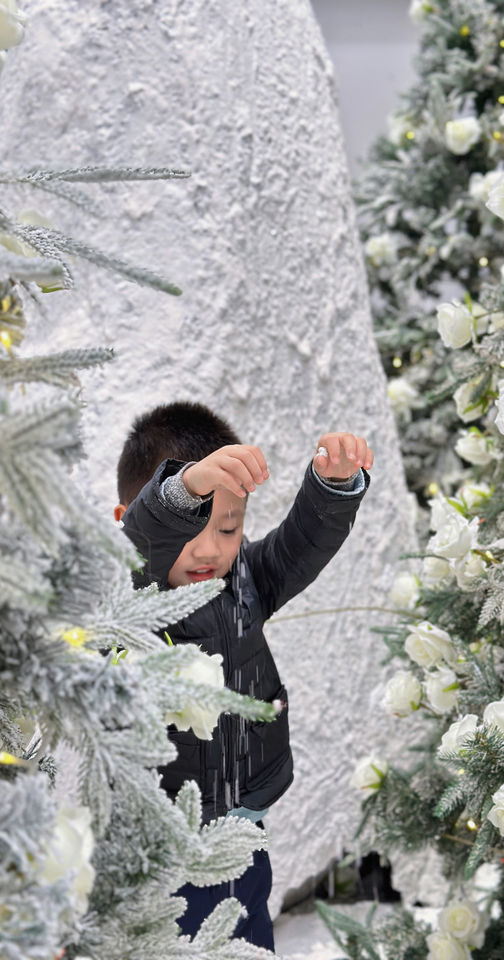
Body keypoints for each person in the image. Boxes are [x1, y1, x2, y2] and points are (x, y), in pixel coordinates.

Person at [114, 401, 372, 949]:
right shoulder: (131, 598)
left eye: (228, 528)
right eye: (190, 528)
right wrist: (183, 491)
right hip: (173, 842)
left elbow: (301, 544)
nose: (211, 549)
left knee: (251, 927)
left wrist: (331, 488)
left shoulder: (246, 580)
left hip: (246, 818)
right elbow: (141, 543)